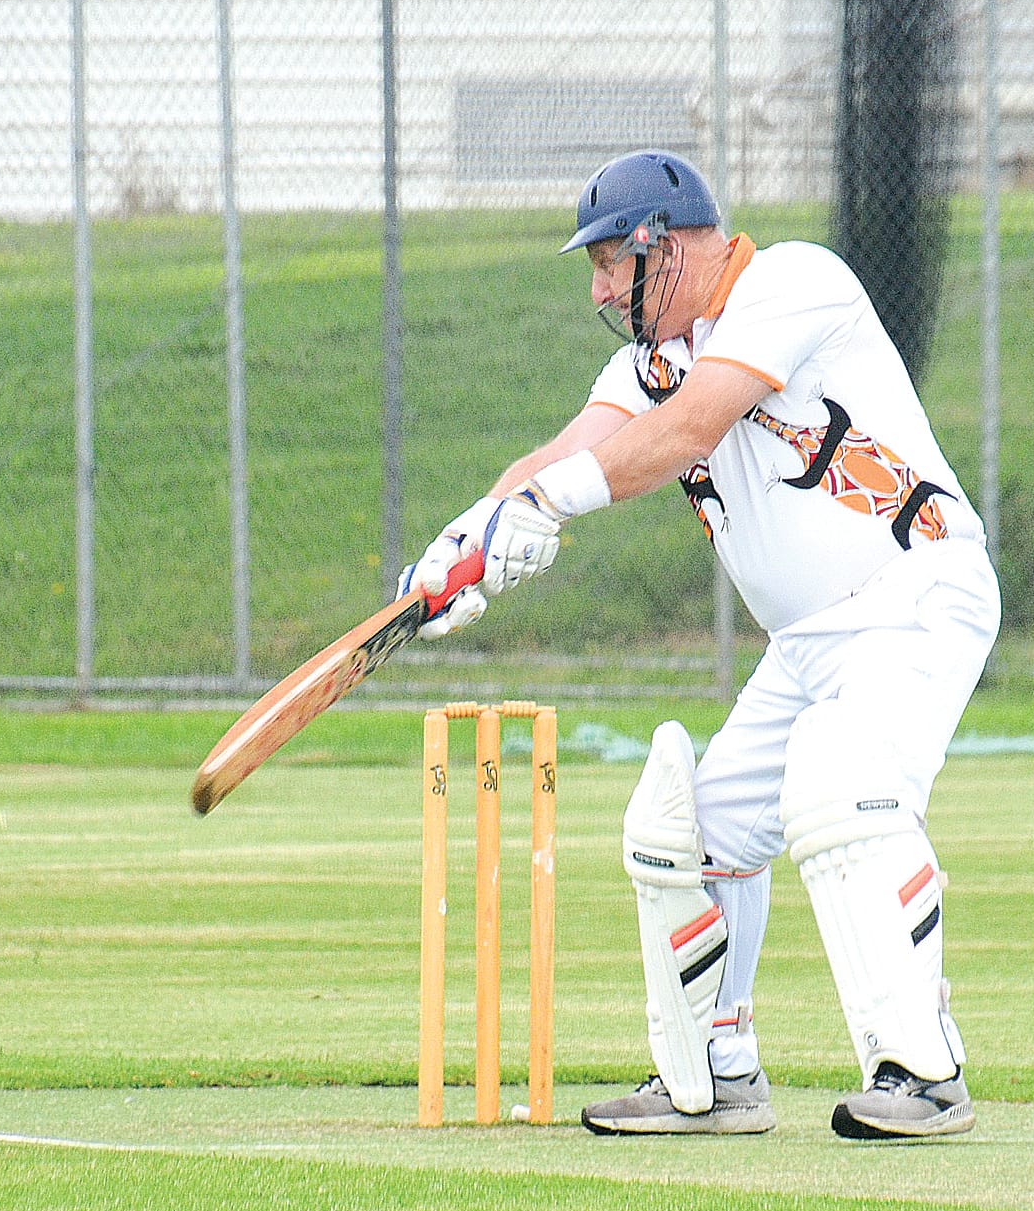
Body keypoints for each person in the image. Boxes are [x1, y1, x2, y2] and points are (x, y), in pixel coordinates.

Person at [401, 151, 999, 1140]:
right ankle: (715, 1079)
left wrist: (547, 507)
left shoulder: (793, 281)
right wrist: (468, 535)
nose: (596, 289)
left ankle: (921, 1071)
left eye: (605, 264)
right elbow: (566, 449)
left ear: (663, 247)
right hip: (805, 641)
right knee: (696, 836)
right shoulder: (647, 359)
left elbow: (686, 431)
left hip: (912, 595)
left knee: (842, 793)